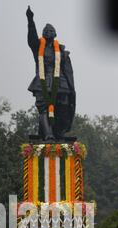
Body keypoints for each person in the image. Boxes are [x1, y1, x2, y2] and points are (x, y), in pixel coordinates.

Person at [26, 6, 76, 141]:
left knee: (63, 107)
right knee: (43, 109)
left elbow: (67, 70)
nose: (48, 32)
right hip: (43, 80)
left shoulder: (61, 51)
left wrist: (71, 88)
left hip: (60, 82)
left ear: (55, 34)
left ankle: (59, 132)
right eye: (46, 30)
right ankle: (48, 134)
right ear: (42, 33)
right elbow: (31, 38)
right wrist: (30, 20)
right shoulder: (38, 48)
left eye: (51, 30)